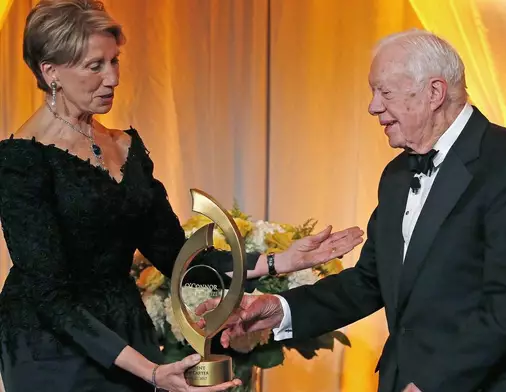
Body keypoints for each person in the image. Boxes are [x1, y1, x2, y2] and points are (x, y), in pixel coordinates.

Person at [0, 1, 364, 391]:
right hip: (52, 348)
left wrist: (281, 260)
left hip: (126, 328)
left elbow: (179, 257)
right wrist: (151, 371)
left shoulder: (124, 147)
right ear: (50, 71)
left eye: (115, 61)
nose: (112, 78)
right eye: (95, 66)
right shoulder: (21, 160)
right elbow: (51, 297)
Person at [197, 29, 506, 392]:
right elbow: (368, 282)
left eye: (384, 92)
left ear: (434, 92)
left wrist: (433, 383)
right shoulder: (397, 174)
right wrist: (281, 308)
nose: (373, 107)